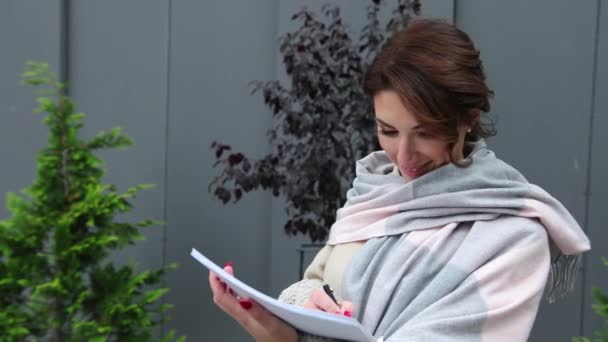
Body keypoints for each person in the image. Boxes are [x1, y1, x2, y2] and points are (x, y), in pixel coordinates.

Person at [208, 19, 590, 342]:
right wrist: (285, 320)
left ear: (468, 118)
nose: (404, 157)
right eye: (387, 130)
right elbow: (317, 283)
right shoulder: (373, 195)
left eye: (424, 132)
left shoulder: (513, 233)